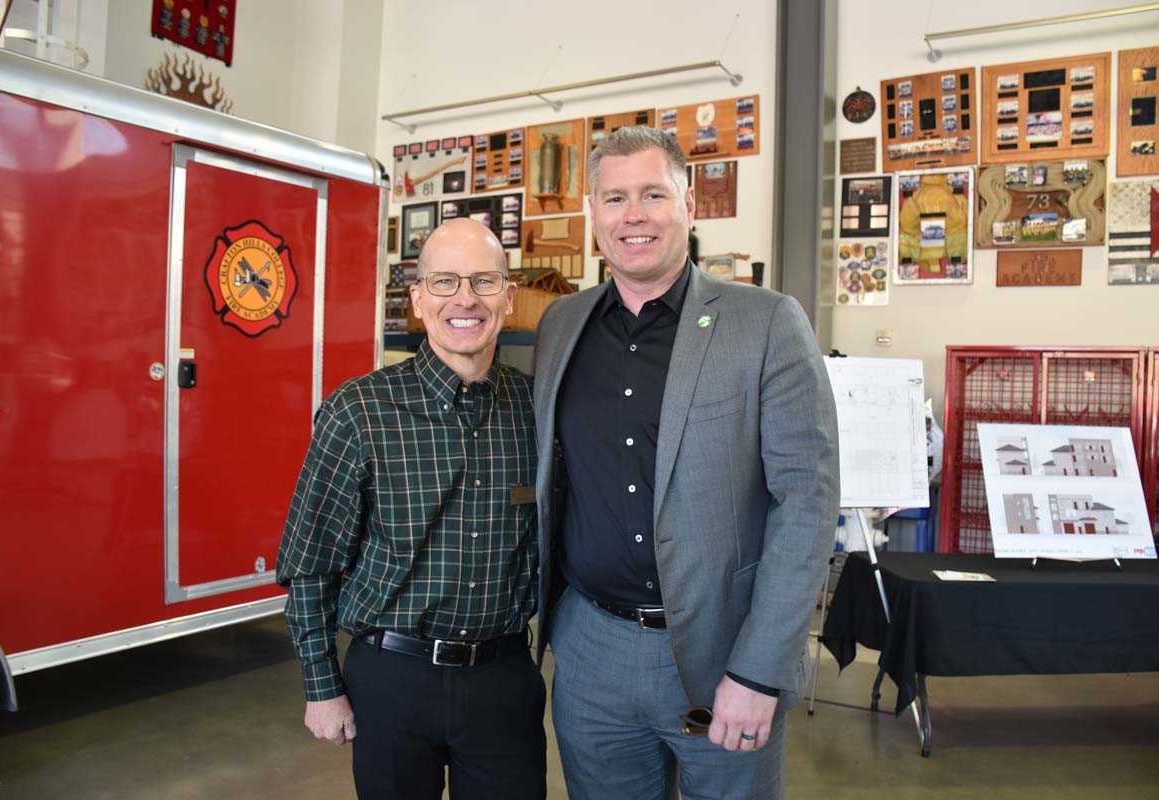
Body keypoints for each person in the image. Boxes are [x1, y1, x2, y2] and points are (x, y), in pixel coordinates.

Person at [532, 127, 839, 800]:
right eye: (614, 198)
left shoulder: (765, 323)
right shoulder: (561, 323)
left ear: (689, 204)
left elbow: (808, 504)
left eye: (652, 194)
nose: (632, 215)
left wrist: (760, 671)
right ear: (592, 212)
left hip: (718, 657)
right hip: (590, 648)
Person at [277, 218, 546, 800]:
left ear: (509, 296)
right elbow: (310, 562)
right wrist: (322, 687)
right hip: (392, 677)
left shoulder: (537, 411)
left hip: (503, 677)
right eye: (445, 282)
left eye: (483, 281)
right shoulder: (359, 412)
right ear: (419, 301)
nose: (466, 299)